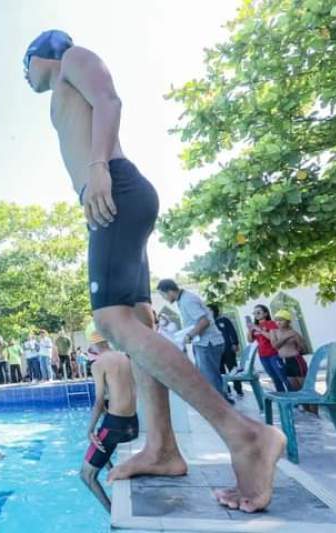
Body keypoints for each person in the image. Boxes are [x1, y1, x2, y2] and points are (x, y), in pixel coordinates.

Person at [24, 29, 285, 512]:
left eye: (25, 66)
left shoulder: (72, 58)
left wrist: (98, 166)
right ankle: (163, 448)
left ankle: (245, 435)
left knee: (111, 321)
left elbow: (108, 98)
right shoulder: (59, 89)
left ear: (41, 54)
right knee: (138, 322)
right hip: (114, 194)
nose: (24, 76)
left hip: (114, 188)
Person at [80, 340, 138, 512]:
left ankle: (112, 513)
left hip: (115, 427)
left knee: (86, 475)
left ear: (93, 346)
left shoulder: (99, 364)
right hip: (133, 425)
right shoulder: (125, 357)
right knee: (101, 439)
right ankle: (115, 476)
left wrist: (89, 430)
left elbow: (98, 403)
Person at [157, 280, 227, 399]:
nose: (163, 298)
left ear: (169, 291)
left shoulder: (187, 300)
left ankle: (223, 412)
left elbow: (204, 321)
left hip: (208, 343)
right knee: (210, 378)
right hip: (203, 343)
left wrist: (189, 336)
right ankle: (224, 406)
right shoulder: (183, 299)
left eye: (162, 295)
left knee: (211, 380)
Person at [271, 309, 315, 413]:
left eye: (282, 320)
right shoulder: (274, 332)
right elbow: (275, 346)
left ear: (288, 321)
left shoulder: (294, 333)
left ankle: (314, 413)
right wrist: (287, 337)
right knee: (296, 389)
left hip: (296, 360)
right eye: (277, 320)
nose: (278, 322)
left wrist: (299, 344)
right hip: (285, 362)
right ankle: (307, 411)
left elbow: (304, 347)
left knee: (306, 389)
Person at [247, 305, 289, 393]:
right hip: (263, 356)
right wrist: (250, 329)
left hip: (274, 354)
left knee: (283, 377)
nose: (256, 315)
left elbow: (272, 338)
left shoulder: (271, 323)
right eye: (254, 313)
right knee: (275, 378)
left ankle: (295, 398)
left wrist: (259, 329)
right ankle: (282, 399)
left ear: (265, 313)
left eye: (258, 312)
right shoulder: (255, 326)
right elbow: (250, 340)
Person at [208, 304, 243, 397]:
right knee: (220, 371)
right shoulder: (207, 323)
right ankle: (226, 391)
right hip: (216, 351)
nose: (208, 312)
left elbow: (232, 331)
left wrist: (235, 343)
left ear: (215, 311)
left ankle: (239, 390)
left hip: (228, 349)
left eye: (210, 310)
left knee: (233, 370)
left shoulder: (224, 320)